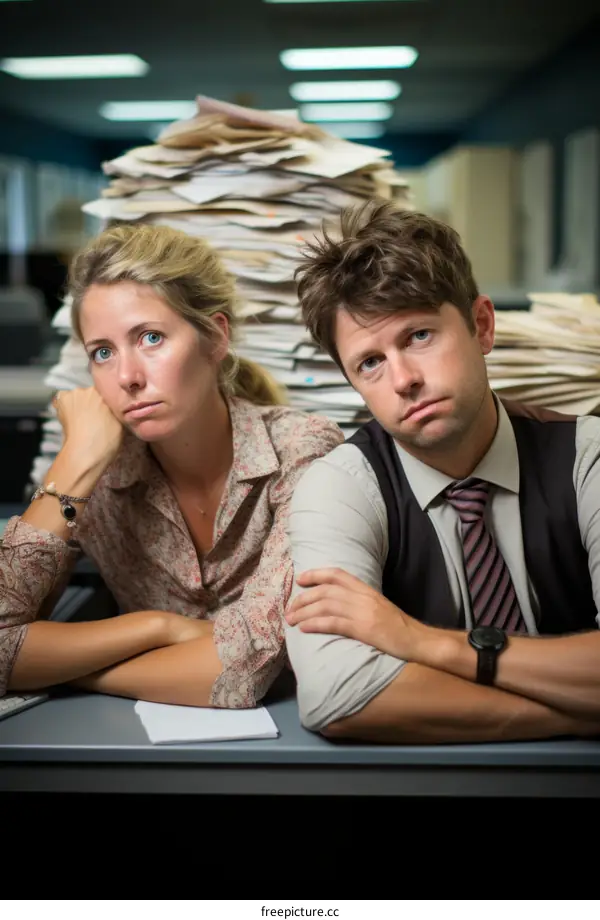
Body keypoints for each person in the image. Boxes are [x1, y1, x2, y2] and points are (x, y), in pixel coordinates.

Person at [284, 199, 600, 744]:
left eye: (419, 336)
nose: (402, 379)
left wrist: (421, 642)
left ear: (481, 326)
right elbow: (334, 695)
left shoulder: (587, 456)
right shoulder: (338, 484)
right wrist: (579, 712)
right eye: (370, 362)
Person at [0, 223, 343, 708]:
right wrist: (155, 627)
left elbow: (242, 670)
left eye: (151, 338)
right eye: (103, 352)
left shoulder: (302, 450)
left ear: (215, 337)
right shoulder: (93, 473)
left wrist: (65, 672)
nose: (127, 377)